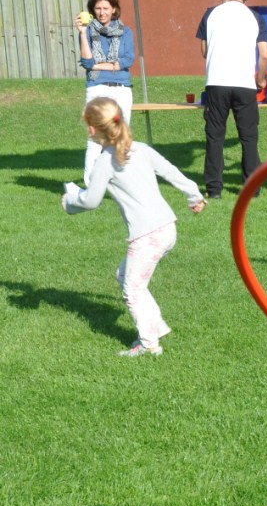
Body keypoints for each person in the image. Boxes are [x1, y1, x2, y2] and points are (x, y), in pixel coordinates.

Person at [61, 97, 205, 357]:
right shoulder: (140, 149)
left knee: (133, 289)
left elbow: (91, 200)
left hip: (147, 236)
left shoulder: (105, 161)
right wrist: (194, 195)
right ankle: (156, 326)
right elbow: (171, 171)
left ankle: (149, 346)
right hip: (167, 228)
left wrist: (70, 201)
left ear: (92, 129)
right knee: (124, 276)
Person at [196, 0, 267, 200]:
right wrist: (261, 78)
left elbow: (204, 51)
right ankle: (251, 188)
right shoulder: (255, 17)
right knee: (249, 138)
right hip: (245, 85)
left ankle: (214, 189)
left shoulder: (210, 13)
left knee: (215, 137)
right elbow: (265, 55)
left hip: (217, 82)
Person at [75, 0, 135, 183]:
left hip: (121, 88)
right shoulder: (87, 32)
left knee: (121, 135)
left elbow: (127, 60)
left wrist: (97, 65)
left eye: (106, 8)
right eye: (98, 8)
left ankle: (122, 182)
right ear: (92, 10)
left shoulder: (126, 32)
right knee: (94, 138)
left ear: (114, 9)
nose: (102, 12)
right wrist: (82, 33)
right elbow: (87, 62)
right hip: (96, 87)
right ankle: (90, 186)